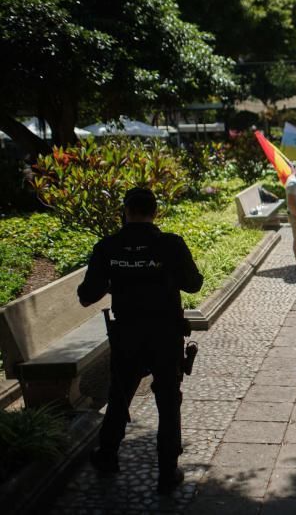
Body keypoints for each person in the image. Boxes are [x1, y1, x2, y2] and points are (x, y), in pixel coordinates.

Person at [78, 188, 203, 494]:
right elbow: (194, 283)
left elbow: (86, 296)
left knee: (120, 395)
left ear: (126, 211)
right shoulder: (170, 244)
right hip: (165, 335)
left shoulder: (108, 247)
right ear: (155, 212)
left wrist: (117, 275)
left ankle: (107, 456)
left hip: (127, 335)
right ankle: (167, 472)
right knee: (168, 400)